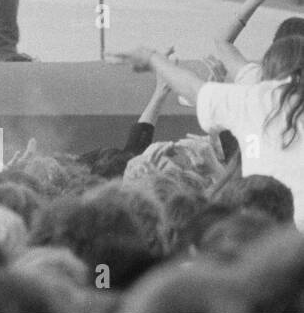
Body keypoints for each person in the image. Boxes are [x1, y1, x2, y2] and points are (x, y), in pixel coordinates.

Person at [118, 36, 304, 230]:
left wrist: (153, 58)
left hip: (267, 230)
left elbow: (194, 85)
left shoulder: (254, 98)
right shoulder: (252, 100)